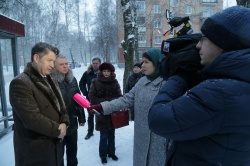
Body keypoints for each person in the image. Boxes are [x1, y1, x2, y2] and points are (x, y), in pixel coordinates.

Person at [148, 6, 250, 165]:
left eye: (203, 39)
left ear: (222, 43)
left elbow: (158, 119)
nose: (197, 46)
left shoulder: (220, 93)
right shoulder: (238, 84)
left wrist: (179, 76)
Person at [88, 48, 167, 166]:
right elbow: (126, 99)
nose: (142, 65)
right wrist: (102, 106)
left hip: (159, 140)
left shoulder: (167, 84)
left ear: (157, 62)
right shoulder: (141, 82)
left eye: (146, 62)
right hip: (141, 136)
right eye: (142, 62)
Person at [9, 42, 70, 166]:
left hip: (55, 149)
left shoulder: (51, 80)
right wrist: (59, 130)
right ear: (36, 58)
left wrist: (64, 122)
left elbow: (62, 107)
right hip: (36, 152)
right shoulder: (20, 83)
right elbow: (32, 119)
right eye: (49, 60)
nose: (53, 65)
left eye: (54, 61)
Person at [51, 55, 86, 166]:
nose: (65, 66)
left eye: (66, 63)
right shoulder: (50, 81)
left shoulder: (72, 79)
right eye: (61, 64)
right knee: (58, 156)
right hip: (58, 124)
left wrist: (81, 117)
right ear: (54, 66)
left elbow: (78, 99)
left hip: (72, 123)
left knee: (72, 154)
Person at [88, 62, 122, 164]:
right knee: (103, 136)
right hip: (102, 113)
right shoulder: (95, 82)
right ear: (101, 72)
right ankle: (103, 155)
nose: (106, 73)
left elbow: (119, 96)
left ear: (111, 72)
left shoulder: (115, 82)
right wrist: (106, 103)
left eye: (108, 71)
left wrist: (112, 104)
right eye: (104, 71)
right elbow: (92, 97)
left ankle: (111, 153)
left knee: (112, 135)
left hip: (113, 113)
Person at [79, 57, 101, 140]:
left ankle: (102, 129)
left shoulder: (103, 73)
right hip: (90, 98)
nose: (95, 64)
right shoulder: (87, 73)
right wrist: (86, 93)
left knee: (101, 115)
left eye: (96, 63)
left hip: (100, 99)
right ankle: (90, 132)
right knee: (90, 116)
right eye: (93, 63)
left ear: (100, 64)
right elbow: (81, 83)